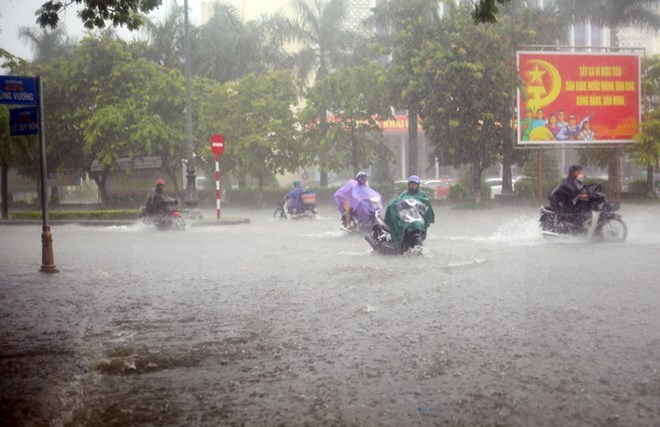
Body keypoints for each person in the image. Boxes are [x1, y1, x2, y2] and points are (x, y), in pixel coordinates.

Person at [384, 175, 435, 249]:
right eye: (411, 184)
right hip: (406, 218)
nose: (413, 185)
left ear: (418, 185)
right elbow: (398, 202)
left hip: (417, 219)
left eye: (415, 184)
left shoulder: (422, 194)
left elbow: (426, 205)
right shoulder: (405, 194)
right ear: (409, 185)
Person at [549, 164, 591, 229]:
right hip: (557, 202)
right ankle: (574, 227)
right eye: (577, 171)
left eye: (579, 171)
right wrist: (582, 195)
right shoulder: (567, 181)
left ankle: (579, 225)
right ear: (572, 172)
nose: (579, 172)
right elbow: (574, 191)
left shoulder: (575, 181)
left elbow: (582, 187)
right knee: (574, 211)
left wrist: (590, 192)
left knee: (582, 205)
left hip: (566, 201)